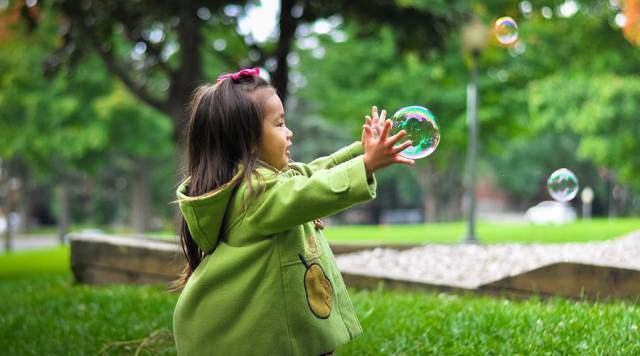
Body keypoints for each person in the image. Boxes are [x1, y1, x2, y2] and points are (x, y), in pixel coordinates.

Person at [172, 67, 414, 356]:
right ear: (248, 141)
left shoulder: (267, 183)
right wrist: (366, 165)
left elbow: (312, 174)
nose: (289, 133)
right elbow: (311, 192)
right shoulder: (255, 195)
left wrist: (362, 152)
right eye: (279, 124)